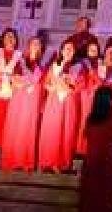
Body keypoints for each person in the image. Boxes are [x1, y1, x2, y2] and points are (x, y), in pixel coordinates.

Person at [79, 86, 112, 212]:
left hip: (90, 164)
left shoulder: (91, 119)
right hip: (105, 164)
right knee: (103, 200)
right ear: (108, 101)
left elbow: (87, 135)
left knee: (89, 200)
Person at [0, 35, 46, 171]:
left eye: (38, 44)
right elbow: (13, 78)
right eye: (34, 43)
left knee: (28, 128)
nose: (36, 46)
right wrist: (22, 81)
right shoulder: (20, 62)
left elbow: (42, 83)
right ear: (29, 45)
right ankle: (12, 160)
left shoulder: (41, 65)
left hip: (32, 100)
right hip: (19, 99)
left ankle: (26, 161)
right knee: (16, 127)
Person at [37, 40, 81, 172]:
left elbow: (80, 85)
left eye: (71, 49)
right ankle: (48, 161)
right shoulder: (54, 66)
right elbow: (45, 83)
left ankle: (61, 163)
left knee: (65, 131)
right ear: (61, 51)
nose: (68, 51)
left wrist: (70, 87)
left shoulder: (78, 67)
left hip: (68, 101)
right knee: (52, 131)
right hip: (54, 100)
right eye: (66, 48)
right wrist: (53, 87)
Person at [0, 28, 23, 153]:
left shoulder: (19, 56)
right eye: (7, 36)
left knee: (6, 117)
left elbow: (20, 72)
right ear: (2, 39)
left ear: (16, 40)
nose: (10, 39)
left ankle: (0, 143)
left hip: (10, 89)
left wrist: (15, 79)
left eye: (12, 36)